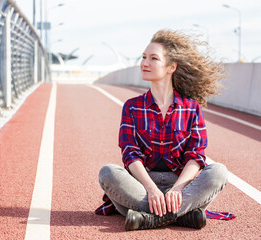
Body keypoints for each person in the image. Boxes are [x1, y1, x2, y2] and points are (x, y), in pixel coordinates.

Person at [97, 29, 229, 231]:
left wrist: (178, 189)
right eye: (143, 57)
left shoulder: (191, 108)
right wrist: (151, 189)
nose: (144, 63)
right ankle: (183, 215)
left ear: (171, 67)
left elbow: (196, 155)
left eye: (153, 58)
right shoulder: (132, 106)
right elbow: (130, 154)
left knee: (218, 171)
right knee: (107, 172)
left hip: (182, 186)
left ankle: (148, 218)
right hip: (142, 185)